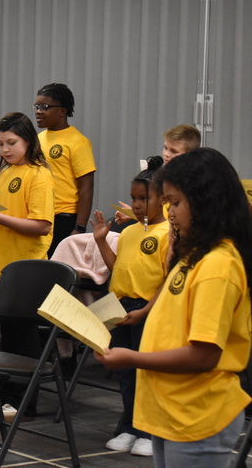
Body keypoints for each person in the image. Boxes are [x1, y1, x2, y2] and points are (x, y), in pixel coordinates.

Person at [96, 147, 252, 468]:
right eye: (166, 203)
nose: (170, 213)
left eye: (176, 203)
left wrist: (133, 358)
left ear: (207, 201)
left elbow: (204, 354)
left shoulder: (219, 265)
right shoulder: (193, 253)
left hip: (197, 413)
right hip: (172, 409)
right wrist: (142, 313)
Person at [0, 112, 54, 423]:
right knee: (7, 337)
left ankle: (24, 402)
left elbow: (42, 225)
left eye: (11, 143)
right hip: (2, 265)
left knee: (24, 336)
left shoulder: (40, 174)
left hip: (27, 268)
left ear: (28, 141)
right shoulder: (8, 171)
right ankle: (6, 399)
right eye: (0, 144)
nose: (4, 150)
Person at [90, 156, 168, 457]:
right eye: (134, 199)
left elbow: (166, 279)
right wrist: (100, 242)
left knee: (144, 371)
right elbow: (117, 268)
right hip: (119, 307)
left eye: (143, 199)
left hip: (146, 309)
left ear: (163, 199)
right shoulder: (130, 231)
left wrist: (146, 310)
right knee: (124, 372)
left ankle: (148, 431)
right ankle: (129, 426)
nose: (136, 205)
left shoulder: (166, 235)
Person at [34, 83, 95, 255]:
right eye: (37, 106)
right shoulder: (38, 139)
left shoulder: (77, 141)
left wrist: (79, 228)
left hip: (64, 218)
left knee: (57, 275)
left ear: (62, 111)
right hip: (41, 216)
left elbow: (86, 187)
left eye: (45, 107)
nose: (38, 111)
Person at [114, 124, 201, 225]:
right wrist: (136, 214)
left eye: (174, 151)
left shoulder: (194, 188)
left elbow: (179, 224)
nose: (166, 154)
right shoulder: (163, 179)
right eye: (165, 148)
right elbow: (160, 218)